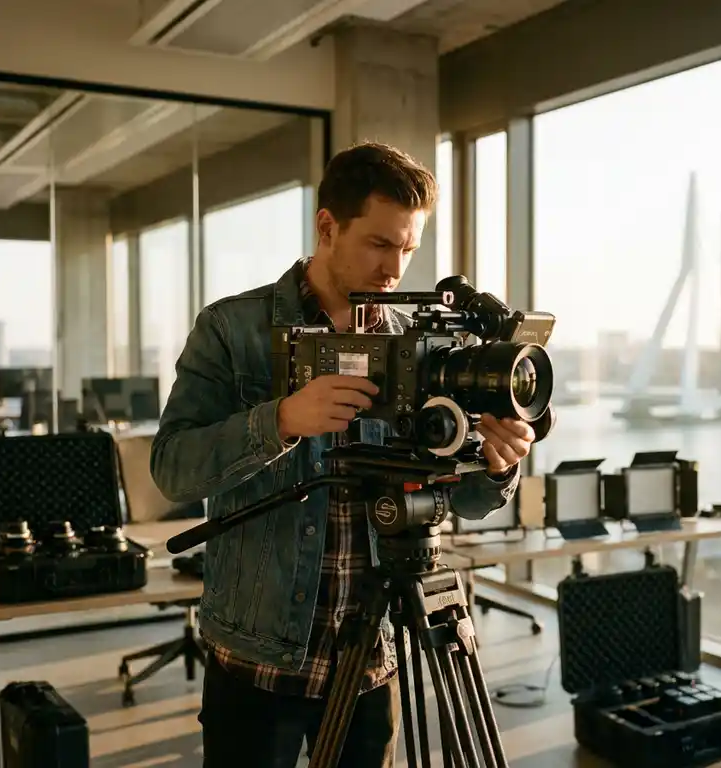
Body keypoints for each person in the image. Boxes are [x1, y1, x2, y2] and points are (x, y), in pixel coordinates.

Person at [151, 141, 536, 768]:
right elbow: (171, 468)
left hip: (371, 654)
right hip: (258, 656)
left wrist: (496, 463)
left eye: (408, 249)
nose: (395, 269)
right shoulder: (232, 329)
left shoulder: (417, 344)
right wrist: (281, 421)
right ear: (327, 226)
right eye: (380, 244)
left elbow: (451, 497)